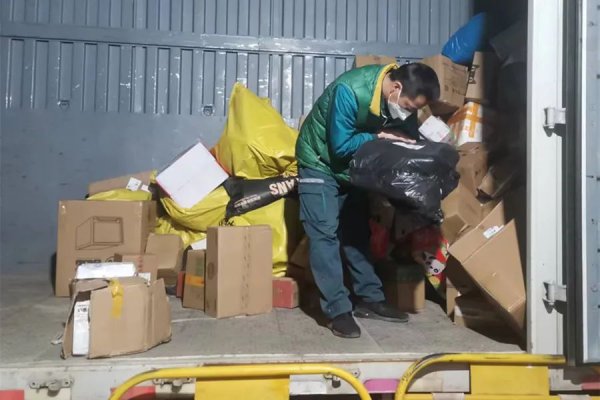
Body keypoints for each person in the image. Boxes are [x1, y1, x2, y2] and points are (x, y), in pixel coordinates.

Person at [295, 62, 440, 338]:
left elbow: (407, 138)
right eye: (409, 106)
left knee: (357, 232)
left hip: (353, 169)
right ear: (396, 88)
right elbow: (340, 147)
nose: (409, 113)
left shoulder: (400, 102)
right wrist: (379, 137)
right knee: (324, 234)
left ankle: (370, 299)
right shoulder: (350, 91)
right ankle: (337, 311)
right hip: (320, 162)